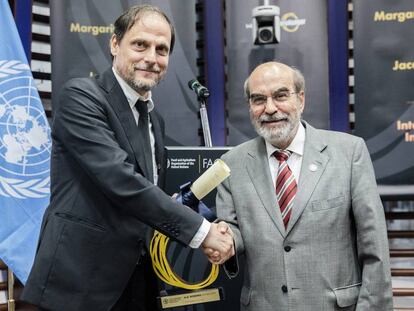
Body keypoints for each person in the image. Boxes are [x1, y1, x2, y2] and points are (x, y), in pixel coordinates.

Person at [22, 5, 233, 311]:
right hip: (79, 284)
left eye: (162, 49)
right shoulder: (81, 97)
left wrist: (213, 226)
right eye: (140, 44)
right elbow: (122, 181)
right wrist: (202, 232)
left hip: (137, 282)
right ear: (114, 44)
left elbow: (150, 197)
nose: (151, 57)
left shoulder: (154, 120)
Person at [214, 61, 393, 310]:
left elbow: (375, 249)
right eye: (258, 100)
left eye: (280, 96)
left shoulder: (349, 153)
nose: (270, 108)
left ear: (301, 99)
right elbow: (233, 231)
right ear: (249, 106)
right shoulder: (231, 165)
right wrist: (226, 240)